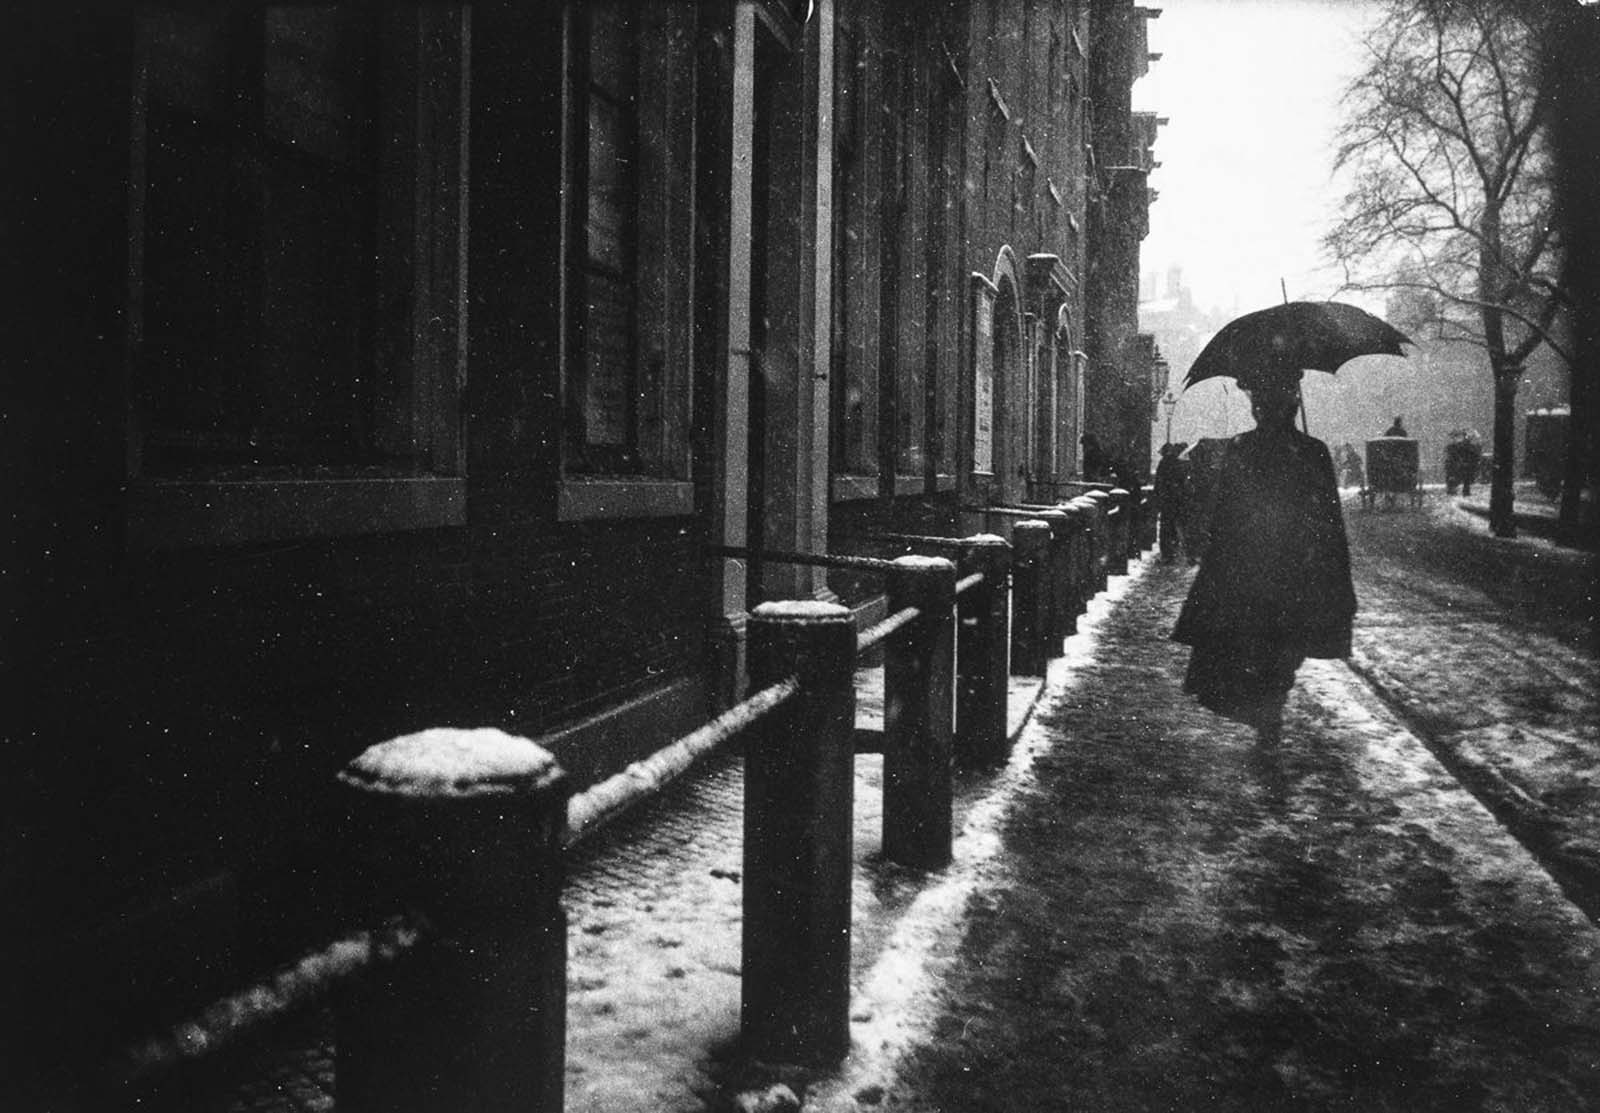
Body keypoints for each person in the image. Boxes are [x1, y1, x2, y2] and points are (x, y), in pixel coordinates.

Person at [1172, 371, 1356, 745]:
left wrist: (1218, 562)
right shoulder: (1312, 451)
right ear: (1295, 406)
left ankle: (1269, 708)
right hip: (1294, 568)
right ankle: (1273, 704)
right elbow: (1328, 520)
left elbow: (1224, 515)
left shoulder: (1243, 448)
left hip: (1252, 568)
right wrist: (1329, 566)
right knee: (1285, 644)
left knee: (1260, 641)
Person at [1154, 443, 1190, 562]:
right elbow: (1183, 482)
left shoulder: (1164, 463)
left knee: (1166, 528)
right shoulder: (1179, 463)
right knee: (1176, 526)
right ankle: (1174, 549)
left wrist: (1158, 497)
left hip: (1167, 500)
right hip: (1177, 499)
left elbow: (1158, 483)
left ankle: (1167, 554)